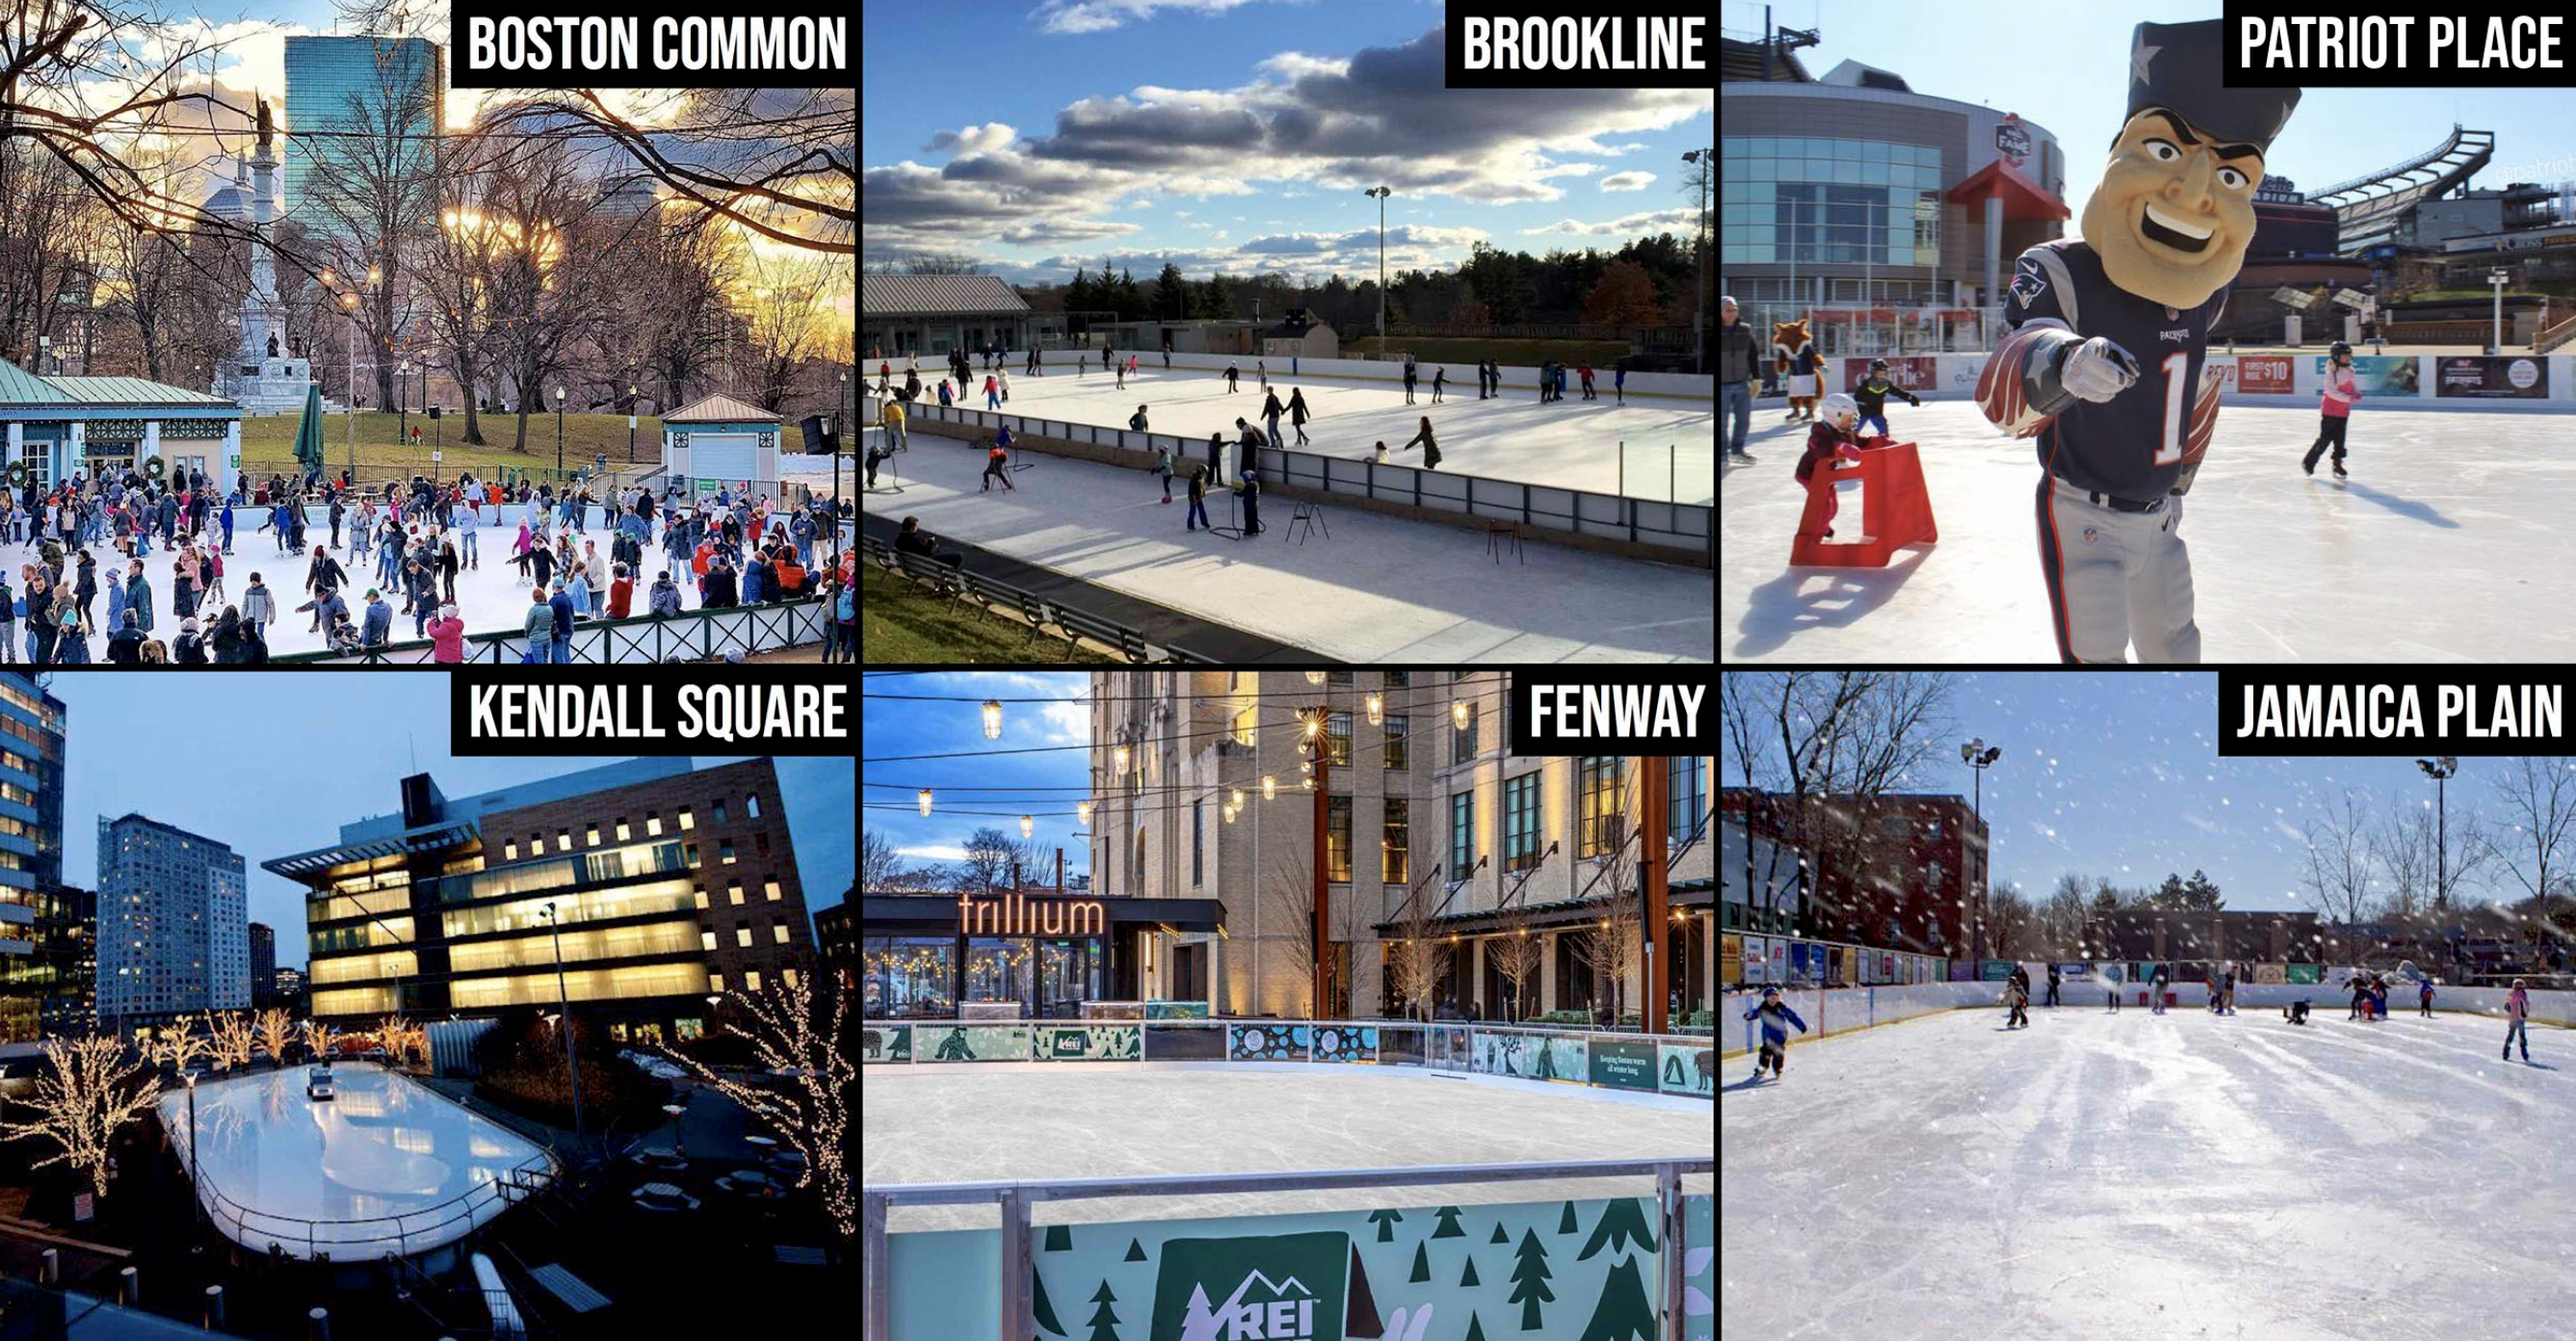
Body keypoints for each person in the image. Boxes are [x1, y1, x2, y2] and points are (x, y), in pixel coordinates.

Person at [1794, 393, 1868, 540]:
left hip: (1826, 476)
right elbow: (1821, 448)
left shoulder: (1844, 431)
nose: (1852, 421)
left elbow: (1859, 443)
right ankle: (1815, 536)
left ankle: (1824, 525)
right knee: (1825, 507)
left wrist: (1880, 442)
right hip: (1809, 475)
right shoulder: (1819, 432)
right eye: (1848, 417)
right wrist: (1841, 447)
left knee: (1832, 509)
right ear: (1835, 416)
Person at [2301, 340, 2362, 479]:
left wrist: (2356, 393)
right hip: (2330, 411)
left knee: (2340, 440)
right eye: (2344, 355)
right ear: (2336, 356)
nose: (2348, 358)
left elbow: (2353, 386)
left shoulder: (2350, 371)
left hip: (2343, 411)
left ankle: (2337, 464)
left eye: (2349, 355)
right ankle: (2309, 462)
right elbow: (2331, 392)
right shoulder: (2331, 374)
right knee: (2325, 439)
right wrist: (2349, 398)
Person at [1741, 986, 1809, 1082]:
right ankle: (1762, 1068)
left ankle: (1778, 1069)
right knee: (1765, 1052)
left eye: (1775, 997)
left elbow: (1793, 1017)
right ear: (1766, 998)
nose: (1773, 999)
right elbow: (1754, 1013)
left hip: (1780, 1036)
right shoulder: (1762, 1009)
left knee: (1778, 1053)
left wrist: (1802, 1026)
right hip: (1767, 1036)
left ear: (1778, 998)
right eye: (1770, 997)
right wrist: (1748, 1016)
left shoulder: (1782, 1009)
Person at [1853, 358, 1921, 438]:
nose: (1882, 373)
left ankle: (1884, 443)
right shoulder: (1867, 383)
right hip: (1863, 412)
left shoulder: (1886, 383)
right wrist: (1860, 403)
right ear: (1873, 372)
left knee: (1883, 430)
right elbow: (1857, 396)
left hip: (1876, 412)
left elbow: (1897, 392)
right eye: (1879, 371)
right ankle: (1849, 443)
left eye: (1884, 371)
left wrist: (1910, 397)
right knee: (1854, 429)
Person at [2505, 977, 2533, 1062]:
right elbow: (2507, 1004)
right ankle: (2506, 1053)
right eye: (2517, 984)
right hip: (2513, 1018)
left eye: (2520, 984)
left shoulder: (2522, 994)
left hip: (2520, 1019)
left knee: (2522, 1036)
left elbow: (2526, 1005)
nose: (2518, 986)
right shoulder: (2512, 994)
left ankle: (2524, 1054)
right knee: (2511, 1036)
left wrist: (2524, 1013)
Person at [1184, 466, 1210, 533]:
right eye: (1204, 473)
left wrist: (1203, 493)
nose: (1205, 475)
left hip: (1198, 497)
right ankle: (1190, 525)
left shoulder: (1201, 478)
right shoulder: (1195, 480)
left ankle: (1204, 522)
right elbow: (1192, 490)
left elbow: (1201, 487)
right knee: (1192, 511)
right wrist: (1194, 499)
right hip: (1193, 498)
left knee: (1202, 510)